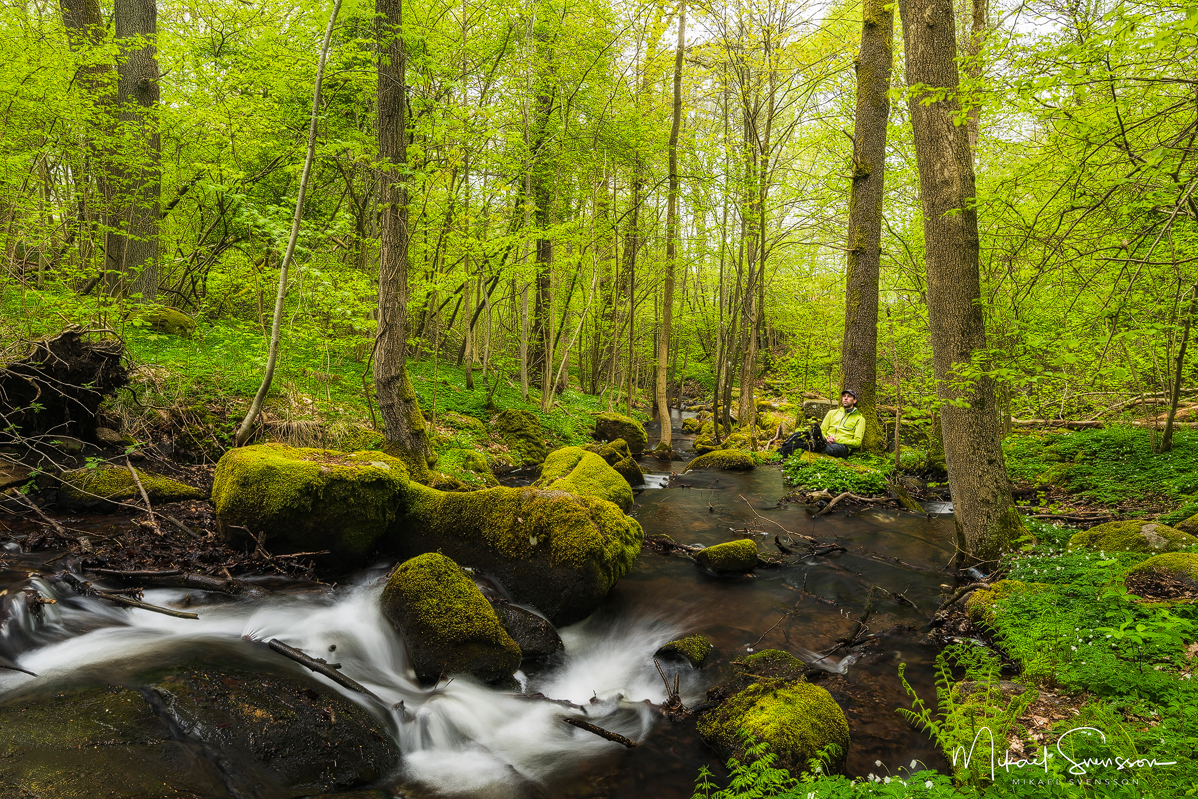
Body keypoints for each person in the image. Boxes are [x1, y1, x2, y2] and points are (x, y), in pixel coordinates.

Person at [778, 389, 865, 459]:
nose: (845, 398)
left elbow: (857, 442)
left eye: (849, 397)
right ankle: (781, 453)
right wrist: (826, 439)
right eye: (844, 396)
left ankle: (818, 443)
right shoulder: (832, 413)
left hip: (842, 447)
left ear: (854, 400)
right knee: (798, 435)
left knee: (820, 447)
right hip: (825, 441)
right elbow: (823, 430)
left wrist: (836, 440)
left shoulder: (860, 419)